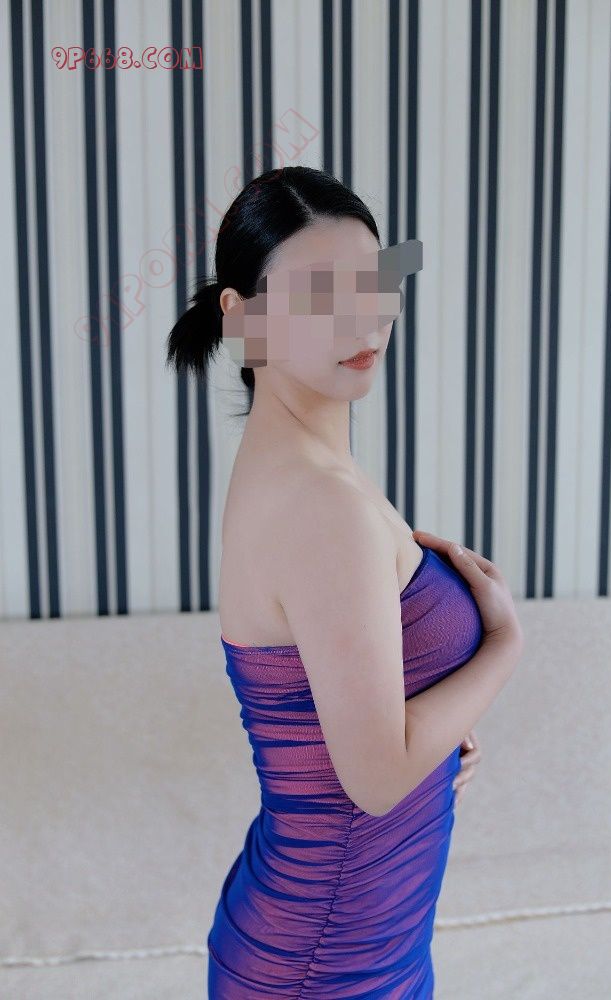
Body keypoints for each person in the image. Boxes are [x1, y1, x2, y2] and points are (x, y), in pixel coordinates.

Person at [165, 165, 524, 998]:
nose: (362, 321)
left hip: (349, 928)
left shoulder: (305, 468)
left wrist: (436, 726)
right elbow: (377, 777)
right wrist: (504, 642)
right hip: (325, 956)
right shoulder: (321, 502)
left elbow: (350, 723)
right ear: (242, 318)